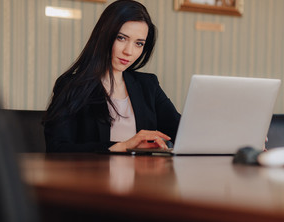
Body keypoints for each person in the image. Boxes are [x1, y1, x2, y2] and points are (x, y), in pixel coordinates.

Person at [43, 0, 181, 153]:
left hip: (142, 176)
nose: (129, 51)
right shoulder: (71, 86)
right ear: (104, 36)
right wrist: (122, 146)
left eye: (139, 43)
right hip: (94, 176)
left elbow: (182, 131)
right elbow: (57, 149)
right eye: (121, 38)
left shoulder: (148, 85)